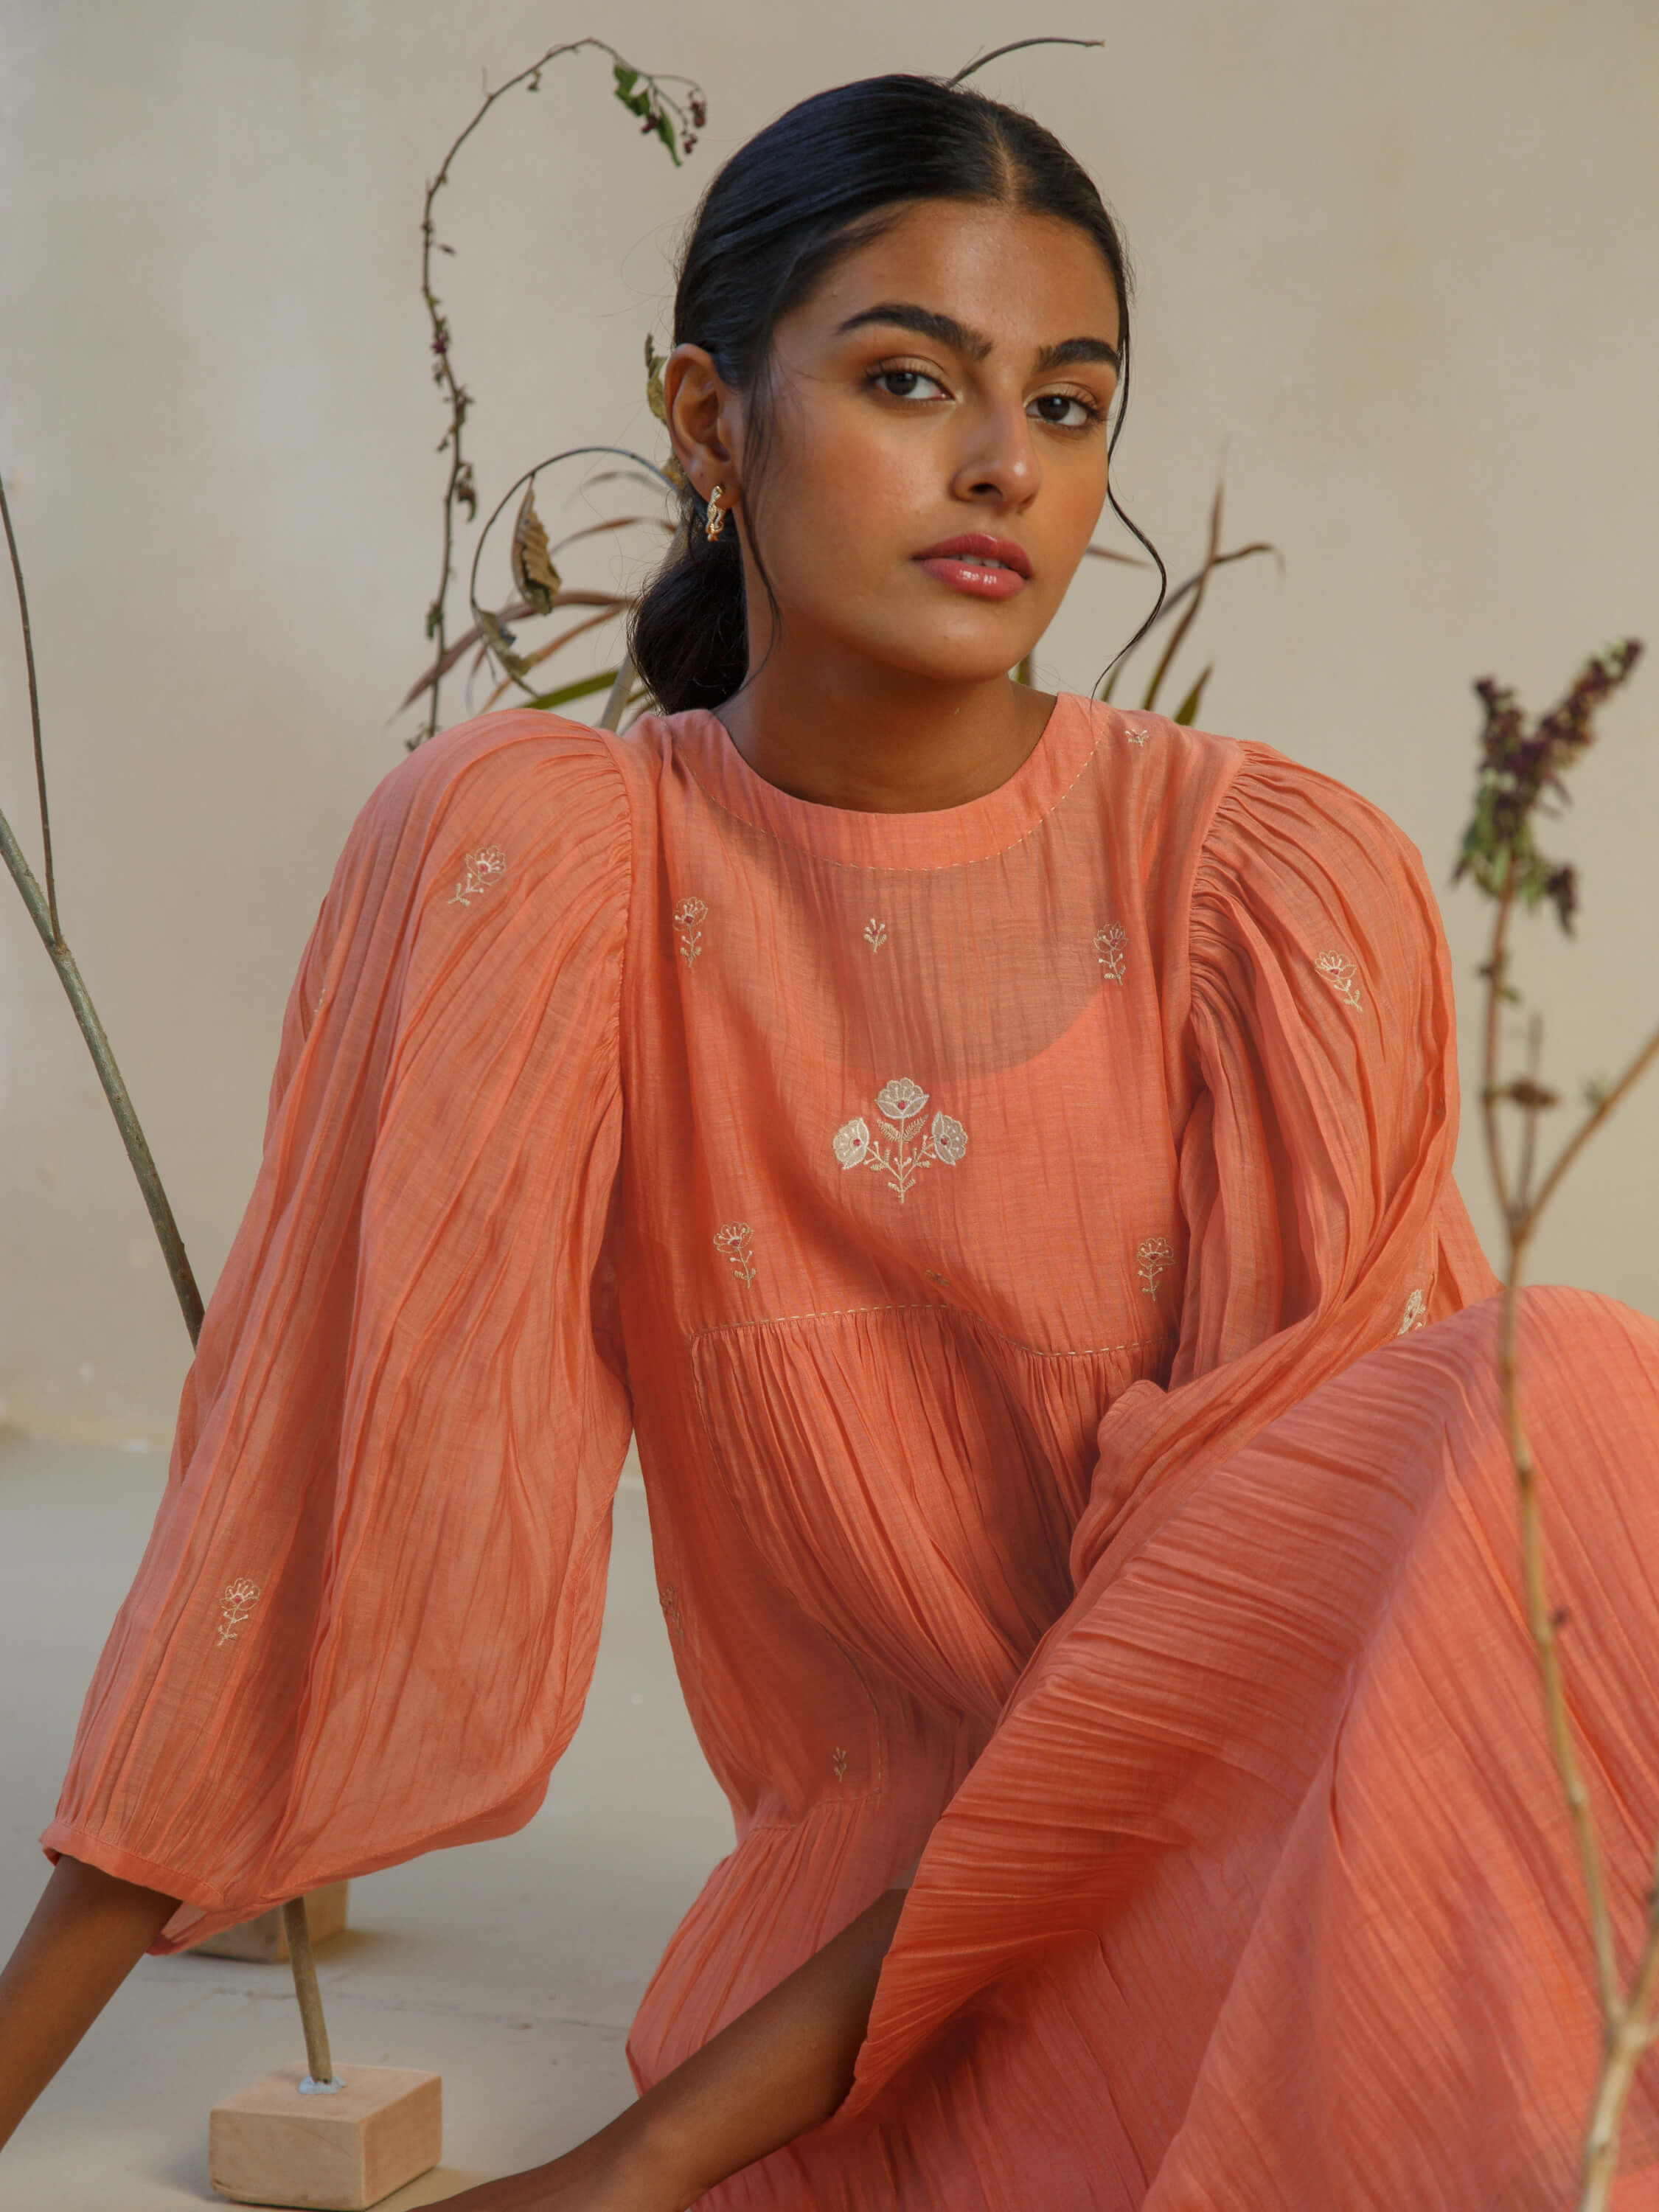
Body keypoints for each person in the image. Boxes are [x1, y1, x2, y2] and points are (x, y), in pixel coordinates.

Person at [3, 70, 1658, 2212]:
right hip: (888, 1987)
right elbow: (306, 1491)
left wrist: (626, 2164)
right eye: (908, 380)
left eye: (1070, 410)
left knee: (1559, 1390)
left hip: (1316, 1859)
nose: (1003, 468)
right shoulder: (544, 855)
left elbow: (1279, 1645)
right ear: (709, 420)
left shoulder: (1259, 887)